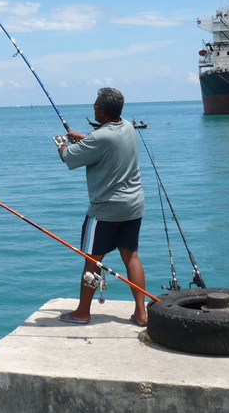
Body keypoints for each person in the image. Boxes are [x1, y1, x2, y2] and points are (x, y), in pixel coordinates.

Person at [56, 87, 148, 326]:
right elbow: (106, 143)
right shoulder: (127, 126)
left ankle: (82, 312)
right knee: (131, 256)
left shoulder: (100, 137)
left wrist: (62, 146)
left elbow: (69, 158)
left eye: (96, 106)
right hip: (134, 205)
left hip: (106, 210)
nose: (93, 108)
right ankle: (141, 313)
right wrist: (85, 140)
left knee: (92, 261)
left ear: (103, 110)